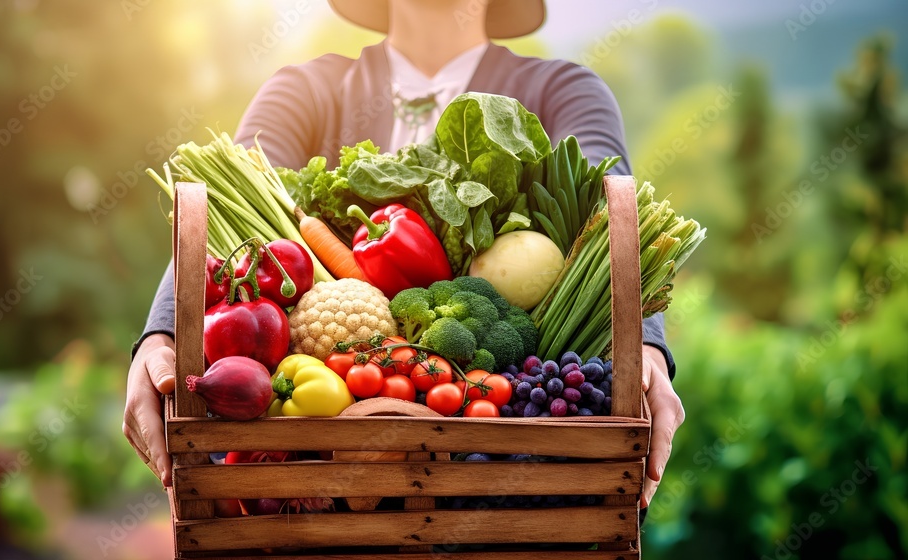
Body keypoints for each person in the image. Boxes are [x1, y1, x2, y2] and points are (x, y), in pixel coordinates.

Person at [124, 0, 684, 510]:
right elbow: (220, 222)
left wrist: (647, 347)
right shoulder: (304, 89)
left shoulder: (563, 90)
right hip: (319, 490)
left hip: (497, 494)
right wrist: (162, 335)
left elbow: (618, 228)